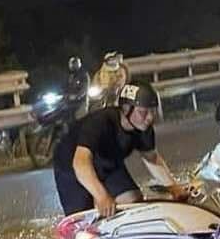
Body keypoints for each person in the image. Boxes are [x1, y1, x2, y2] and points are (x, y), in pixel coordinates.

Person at [53, 82, 187, 216]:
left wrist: (173, 187)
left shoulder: (143, 128)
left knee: (132, 201)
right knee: (83, 219)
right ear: (126, 109)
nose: (150, 118)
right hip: (71, 166)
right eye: (143, 112)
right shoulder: (100, 123)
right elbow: (80, 164)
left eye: (152, 111)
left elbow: (152, 158)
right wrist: (101, 196)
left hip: (107, 162)